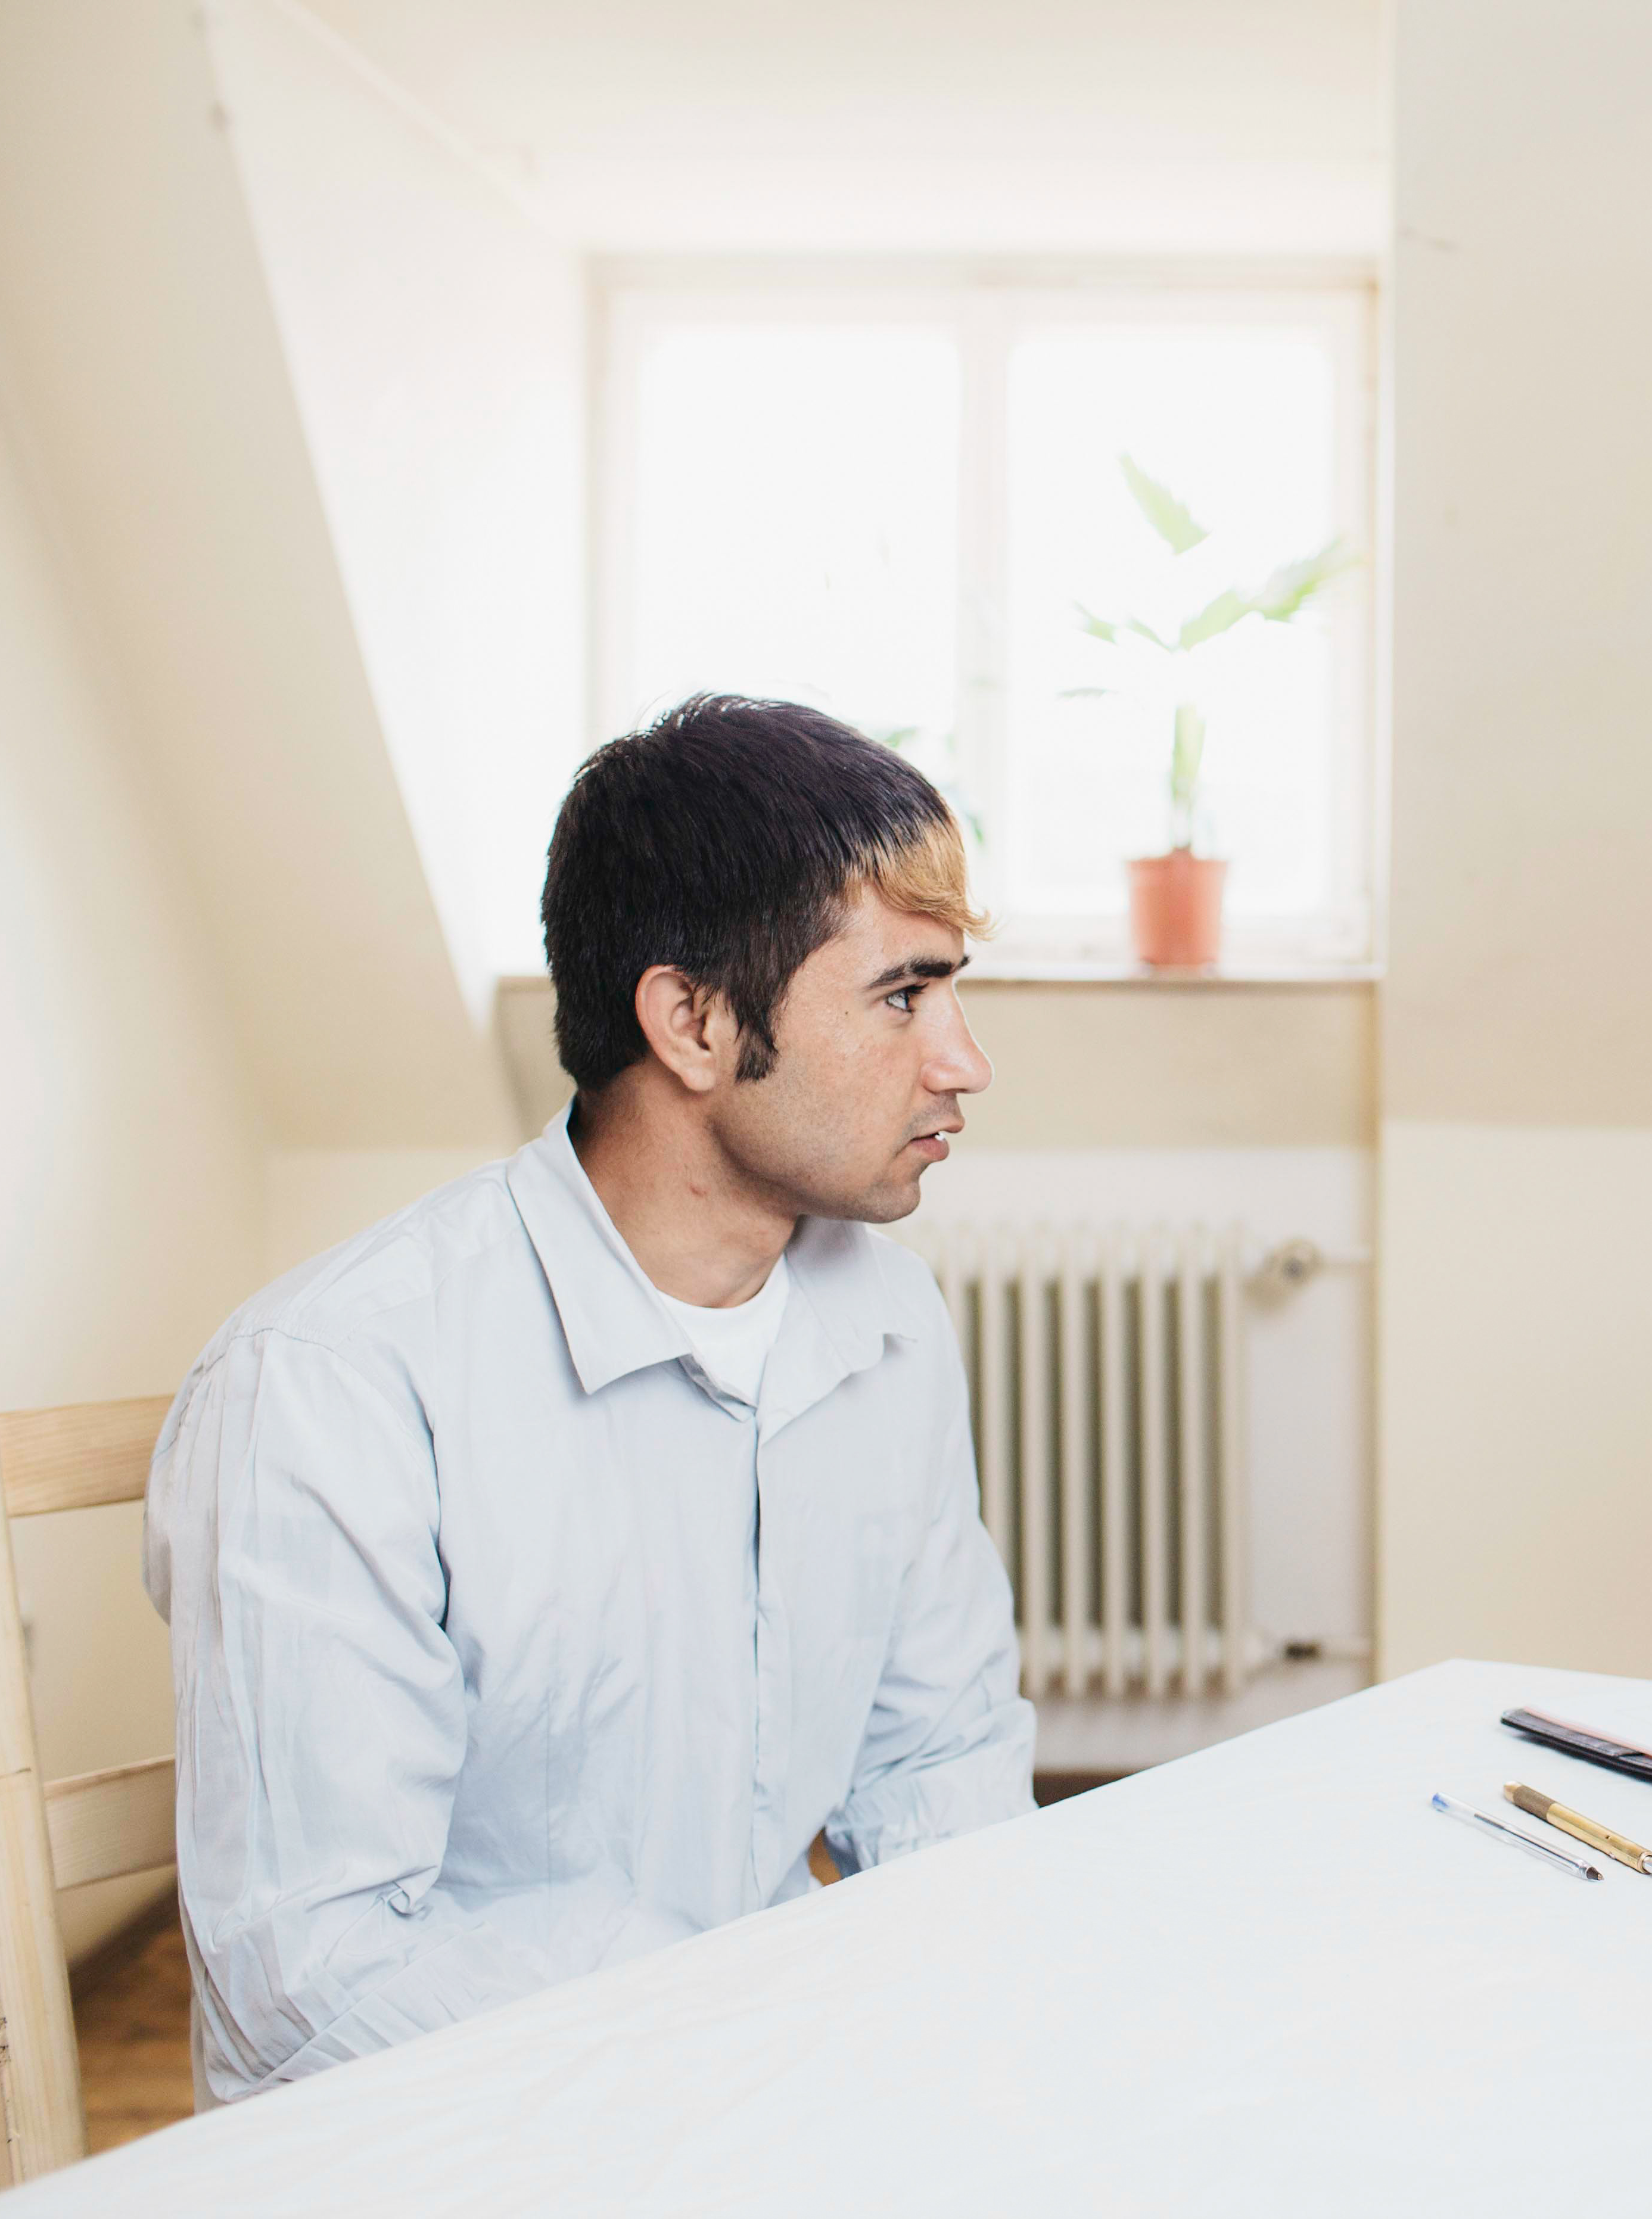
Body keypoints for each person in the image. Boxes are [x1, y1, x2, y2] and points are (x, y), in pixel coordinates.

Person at [146, 695, 1032, 2101]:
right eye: (902, 994)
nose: (963, 1060)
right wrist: (745, 2052)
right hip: (455, 2147)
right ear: (689, 1019)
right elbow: (312, 1985)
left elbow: (940, 1755)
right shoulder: (330, 1388)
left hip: (773, 2101)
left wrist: (943, 2046)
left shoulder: (887, 1319)